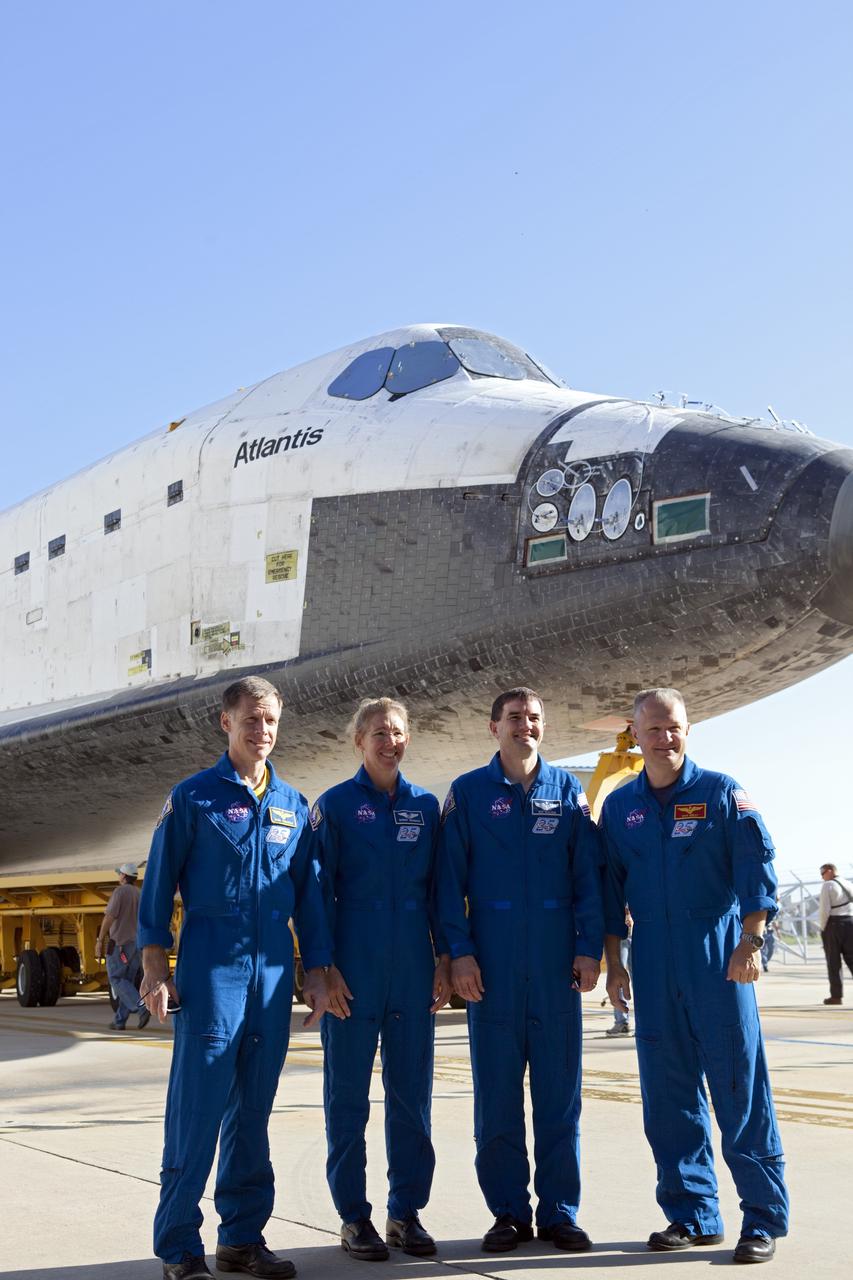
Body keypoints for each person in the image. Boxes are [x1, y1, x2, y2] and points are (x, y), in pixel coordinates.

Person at [138, 676, 336, 1280]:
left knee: (253, 1112)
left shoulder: (292, 806)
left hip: (272, 975)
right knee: (195, 1111)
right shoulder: (193, 798)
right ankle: (178, 1246)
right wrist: (154, 968)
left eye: (271, 719)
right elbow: (157, 889)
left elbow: (311, 898)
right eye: (251, 718)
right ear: (226, 723)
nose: (263, 730)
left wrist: (318, 973)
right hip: (211, 970)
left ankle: (242, 1238)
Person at [601, 688, 789, 1266]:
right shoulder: (620, 808)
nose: (666, 738)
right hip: (653, 958)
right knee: (668, 1095)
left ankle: (760, 1219)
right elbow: (610, 891)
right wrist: (615, 966)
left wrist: (751, 941)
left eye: (675, 727)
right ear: (636, 736)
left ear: (689, 730)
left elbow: (757, 870)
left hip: (719, 953)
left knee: (739, 1090)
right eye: (653, 730)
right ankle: (691, 1214)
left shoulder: (723, 793)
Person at [437, 687, 603, 1254]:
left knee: (560, 1097)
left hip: (557, 966)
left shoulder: (567, 791)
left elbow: (588, 877)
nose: (524, 727)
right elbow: (447, 883)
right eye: (514, 718)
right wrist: (458, 951)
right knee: (498, 1097)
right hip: (493, 968)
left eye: (533, 719)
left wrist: (589, 949)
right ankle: (508, 1211)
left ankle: (560, 1213)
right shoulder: (468, 793)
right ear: (494, 728)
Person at [311, 697, 452, 1262]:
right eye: (378, 733)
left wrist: (446, 956)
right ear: (359, 741)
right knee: (347, 1099)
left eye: (397, 733)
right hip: (353, 968)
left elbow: (443, 890)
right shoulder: (336, 806)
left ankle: (405, 1212)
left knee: (412, 1097)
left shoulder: (425, 806)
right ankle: (353, 1217)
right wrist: (322, 966)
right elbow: (316, 890)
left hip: (414, 967)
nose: (388, 741)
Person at [95, 862, 148, 1031]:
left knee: (116, 979)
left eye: (120, 874)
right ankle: (119, 1021)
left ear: (124, 876)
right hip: (136, 945)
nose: (119, 876)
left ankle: (141, 1007)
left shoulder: (120, 892)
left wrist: (99, 940)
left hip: (119, 944)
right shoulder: (139, 893)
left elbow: (109, 917)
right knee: (128, 982)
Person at [818, 862, 853, 1004]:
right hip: (851, 922)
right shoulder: (848, 883)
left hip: (834, 924)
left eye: (822, 873)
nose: (822, 877)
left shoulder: (828, 885)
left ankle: (836, 996)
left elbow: (824, 909)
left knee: (833, 963)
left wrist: (823, 928)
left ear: (830, 870)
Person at [605, 907, 633, 1036]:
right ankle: (623, 1021)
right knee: (623, 978)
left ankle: (622, 1021)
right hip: (630, 928)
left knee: (619, 978)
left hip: (622, 929)